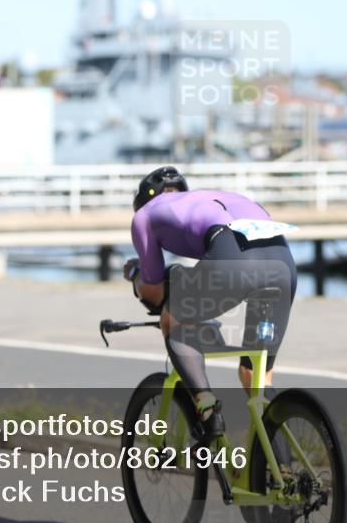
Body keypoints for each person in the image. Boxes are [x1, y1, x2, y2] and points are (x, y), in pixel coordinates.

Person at [123, 166, 298, 441]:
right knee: (256, 375)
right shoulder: (211, 198)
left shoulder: (144, 215)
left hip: (233, 259)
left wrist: (135, 273)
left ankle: (207, 410)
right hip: (283, 265)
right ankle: (281, 461)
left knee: (173, 318)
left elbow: (153, 290)